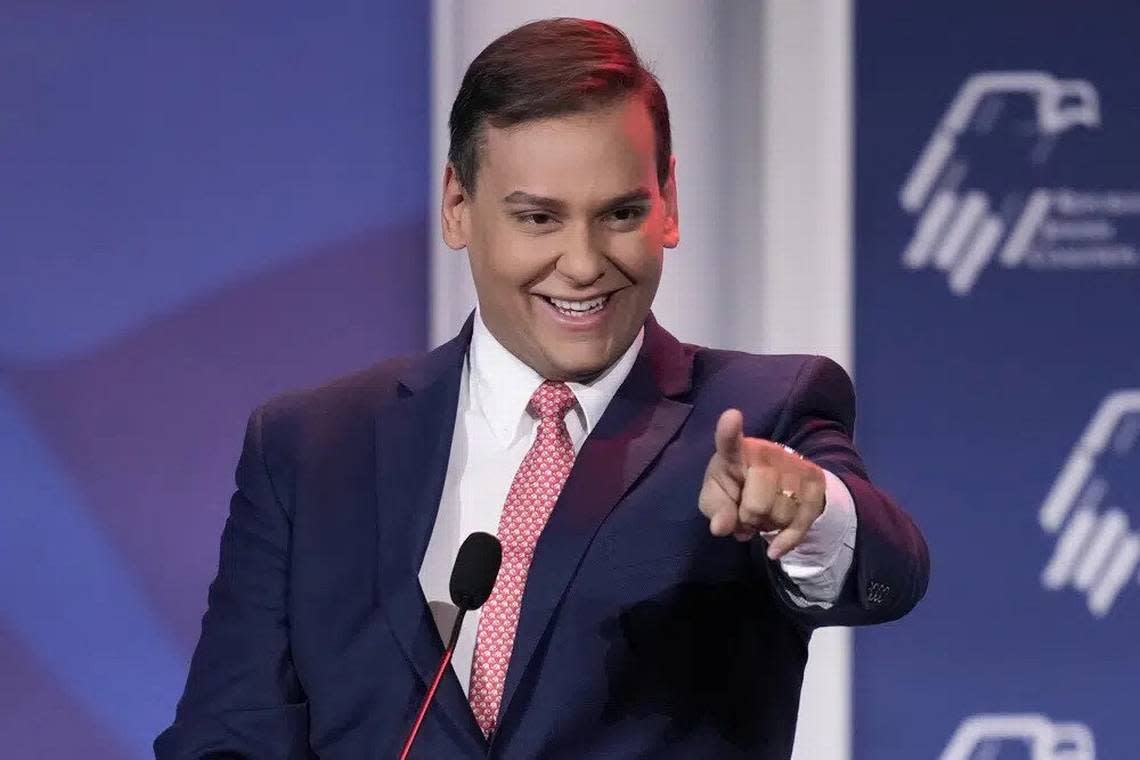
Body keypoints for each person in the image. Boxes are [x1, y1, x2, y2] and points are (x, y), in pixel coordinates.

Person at [156, 17, 928, 759]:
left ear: (669, 203)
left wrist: (809, 509)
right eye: (538, 218)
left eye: (621, 213)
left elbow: (886, 568)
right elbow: (228, 734)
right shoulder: (311, 446)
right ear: (458, 206)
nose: (585, 262)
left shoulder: (761, 412)